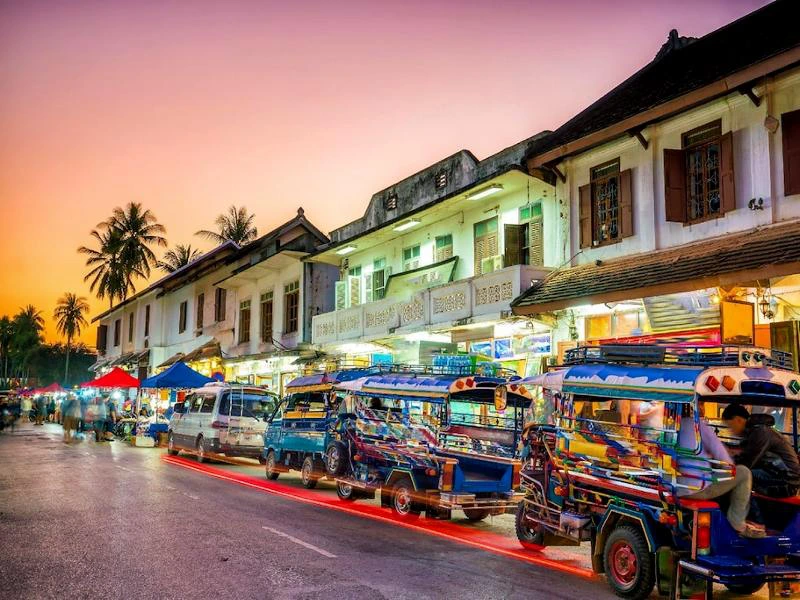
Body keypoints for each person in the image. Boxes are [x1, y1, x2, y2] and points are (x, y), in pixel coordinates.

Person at [678, 409, 763, 538]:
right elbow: (724, 459)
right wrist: (728, 464)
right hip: (697, 489)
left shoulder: (669, 426)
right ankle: (737, 522)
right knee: (743, 473)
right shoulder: (697, 424)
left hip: (675, 487)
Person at [722, 403, 800, 498]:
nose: (730, 431)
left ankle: (747, 511)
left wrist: (726, 465)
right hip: (778, 474)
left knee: (739, 474)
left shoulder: (760, 432)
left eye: (730, 426)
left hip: (787, 482)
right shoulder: (754, 431)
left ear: (738, 420)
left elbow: (748, 462)